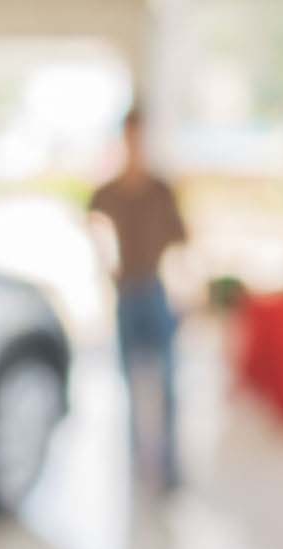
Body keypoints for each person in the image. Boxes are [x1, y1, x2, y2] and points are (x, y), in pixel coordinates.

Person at [89, 105, 188, 491]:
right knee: (130, 382)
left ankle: (169, 466)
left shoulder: (161, 190)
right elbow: (93, 225)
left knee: (167, 382)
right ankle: (136, 462)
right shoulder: (109, 192)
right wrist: (106, 267)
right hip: (127, 293)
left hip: (156, 291)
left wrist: (183, 291)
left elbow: (181, 244)